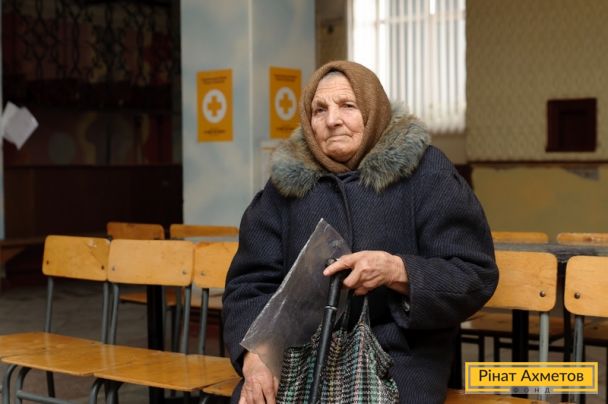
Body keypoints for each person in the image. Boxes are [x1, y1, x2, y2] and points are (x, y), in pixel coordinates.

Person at [222, 60, 498, 404]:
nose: (332, 119)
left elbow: (473, 274)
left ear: (372, 110)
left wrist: (397, 270)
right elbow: (249, 284)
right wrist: (255, 357)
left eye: (347, 106)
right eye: (319, 110)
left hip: (398, 356)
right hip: (296, 356)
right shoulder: (282, 189)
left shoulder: (427, 173)